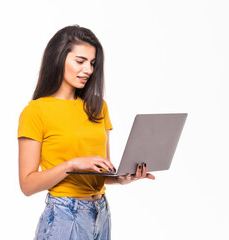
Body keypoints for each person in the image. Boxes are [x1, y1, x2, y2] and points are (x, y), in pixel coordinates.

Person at [17, 25, 155, 240]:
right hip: (64, 215)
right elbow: (27, 184)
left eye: (92, 63)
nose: (89, 70)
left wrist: (122, 178)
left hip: (101, 213)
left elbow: (101, 170)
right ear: (58, 59)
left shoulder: (99, 106)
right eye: (80, 61)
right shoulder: (36, 111)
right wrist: (72, 164)